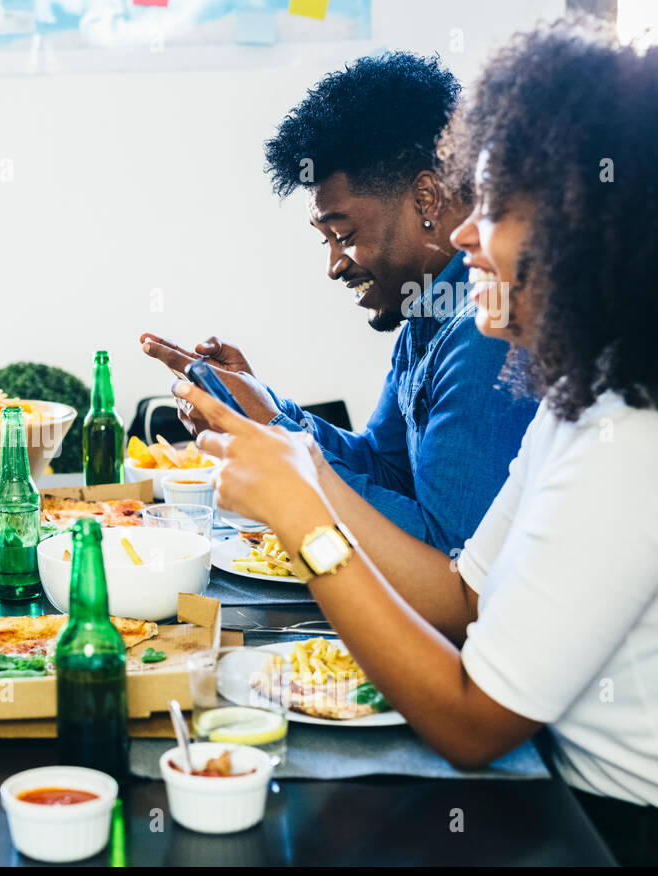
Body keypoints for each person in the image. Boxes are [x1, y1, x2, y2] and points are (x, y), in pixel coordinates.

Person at [175, 20, 658, 866]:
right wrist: (293, 452)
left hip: (605, 832)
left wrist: (305, 508)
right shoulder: (578, 401)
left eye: (500, 206)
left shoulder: (630, 441)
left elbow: (471, 722)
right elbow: (461, 597)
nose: (469, 233)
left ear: (588, 228)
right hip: (548, 787)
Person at [143, 52, 539, 553]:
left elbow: (446, 555)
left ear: (426, 199)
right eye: (324, 240)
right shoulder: (426, 312)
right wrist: (260, 406)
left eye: (344, 234)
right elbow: (387, 468)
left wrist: (272, 434)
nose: (335, 264)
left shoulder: (487, 330)